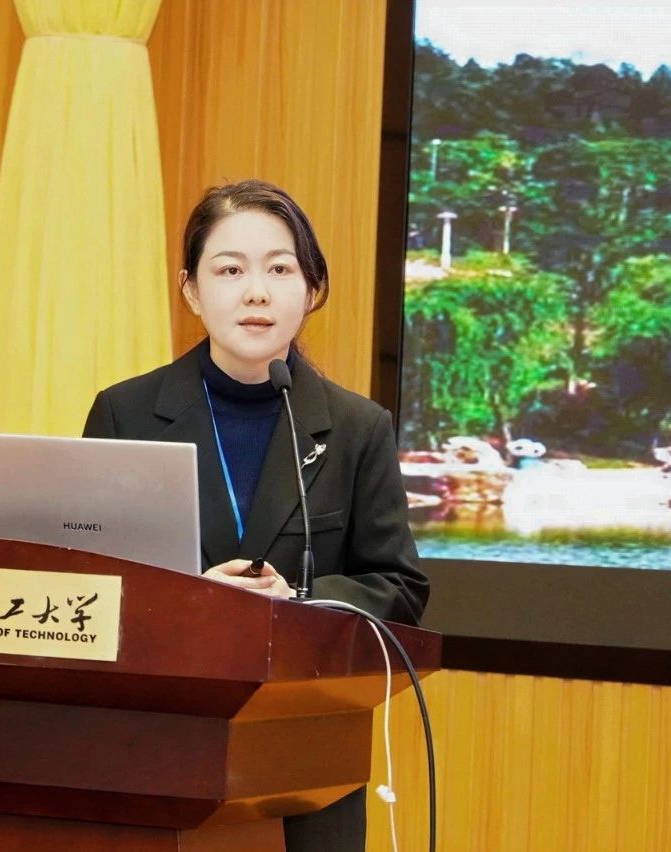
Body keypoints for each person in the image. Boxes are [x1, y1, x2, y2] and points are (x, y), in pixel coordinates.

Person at [82, 179, 428, 851]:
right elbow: (90, 585)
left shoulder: (357, 428)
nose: (257, 293)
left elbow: (400, 587)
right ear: (191, 290)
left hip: (304, 768)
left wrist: (294, 598)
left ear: (312, 288)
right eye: (230, 270)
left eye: (279, 269)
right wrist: (193, 597)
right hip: (155, 753)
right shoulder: (126, 414)